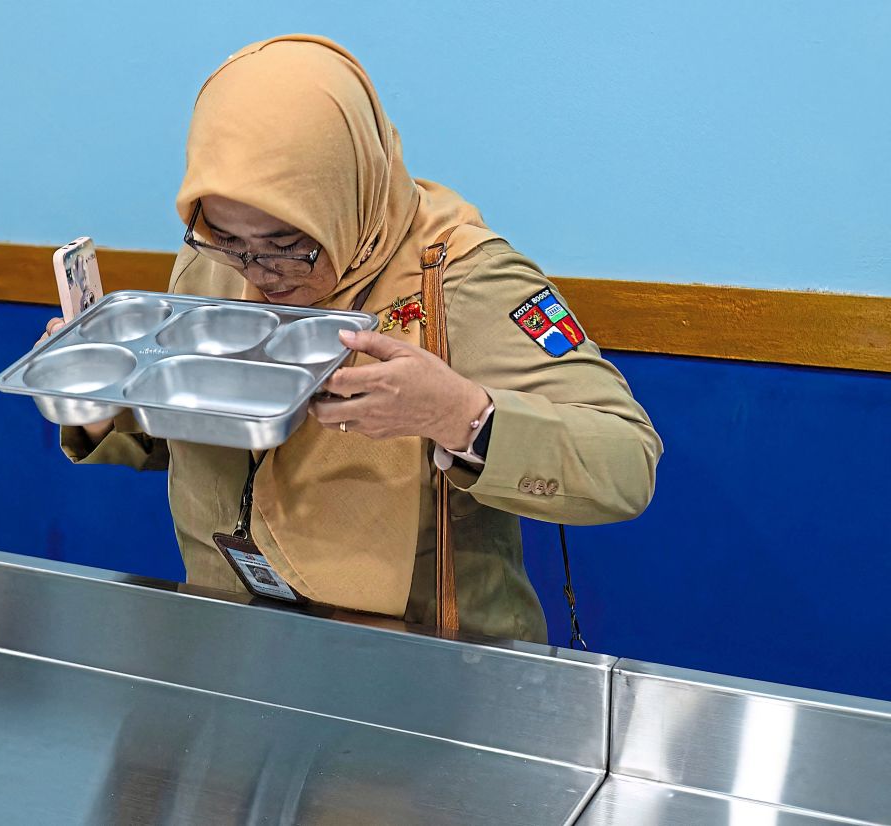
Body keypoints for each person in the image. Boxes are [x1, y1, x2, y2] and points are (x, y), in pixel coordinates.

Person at [38, 35, 662, 643]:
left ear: (348, 192)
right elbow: (189, 436)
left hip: (423, 675)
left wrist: (461, 416)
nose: (258, 272)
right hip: (236, 643)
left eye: (289, 245)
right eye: (228, 239)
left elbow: (627, 464)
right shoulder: (214, 260)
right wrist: (99, 408)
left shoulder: (461, 276)